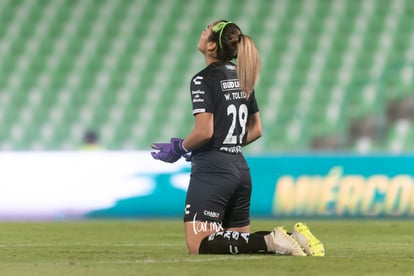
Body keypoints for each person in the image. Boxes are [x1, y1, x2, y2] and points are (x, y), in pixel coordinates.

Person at [151, 20, 324, 256]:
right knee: (239, 245)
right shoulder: (243, 77)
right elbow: (256, 129)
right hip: (240, 169)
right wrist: (223, 144)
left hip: (213, 171)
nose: (202, 32)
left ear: (212, 47)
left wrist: (179, 148)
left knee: (199, 243)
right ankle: (295, 239)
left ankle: (271, 241)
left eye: (207, 31)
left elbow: (204, 131)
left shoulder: (202, 79)